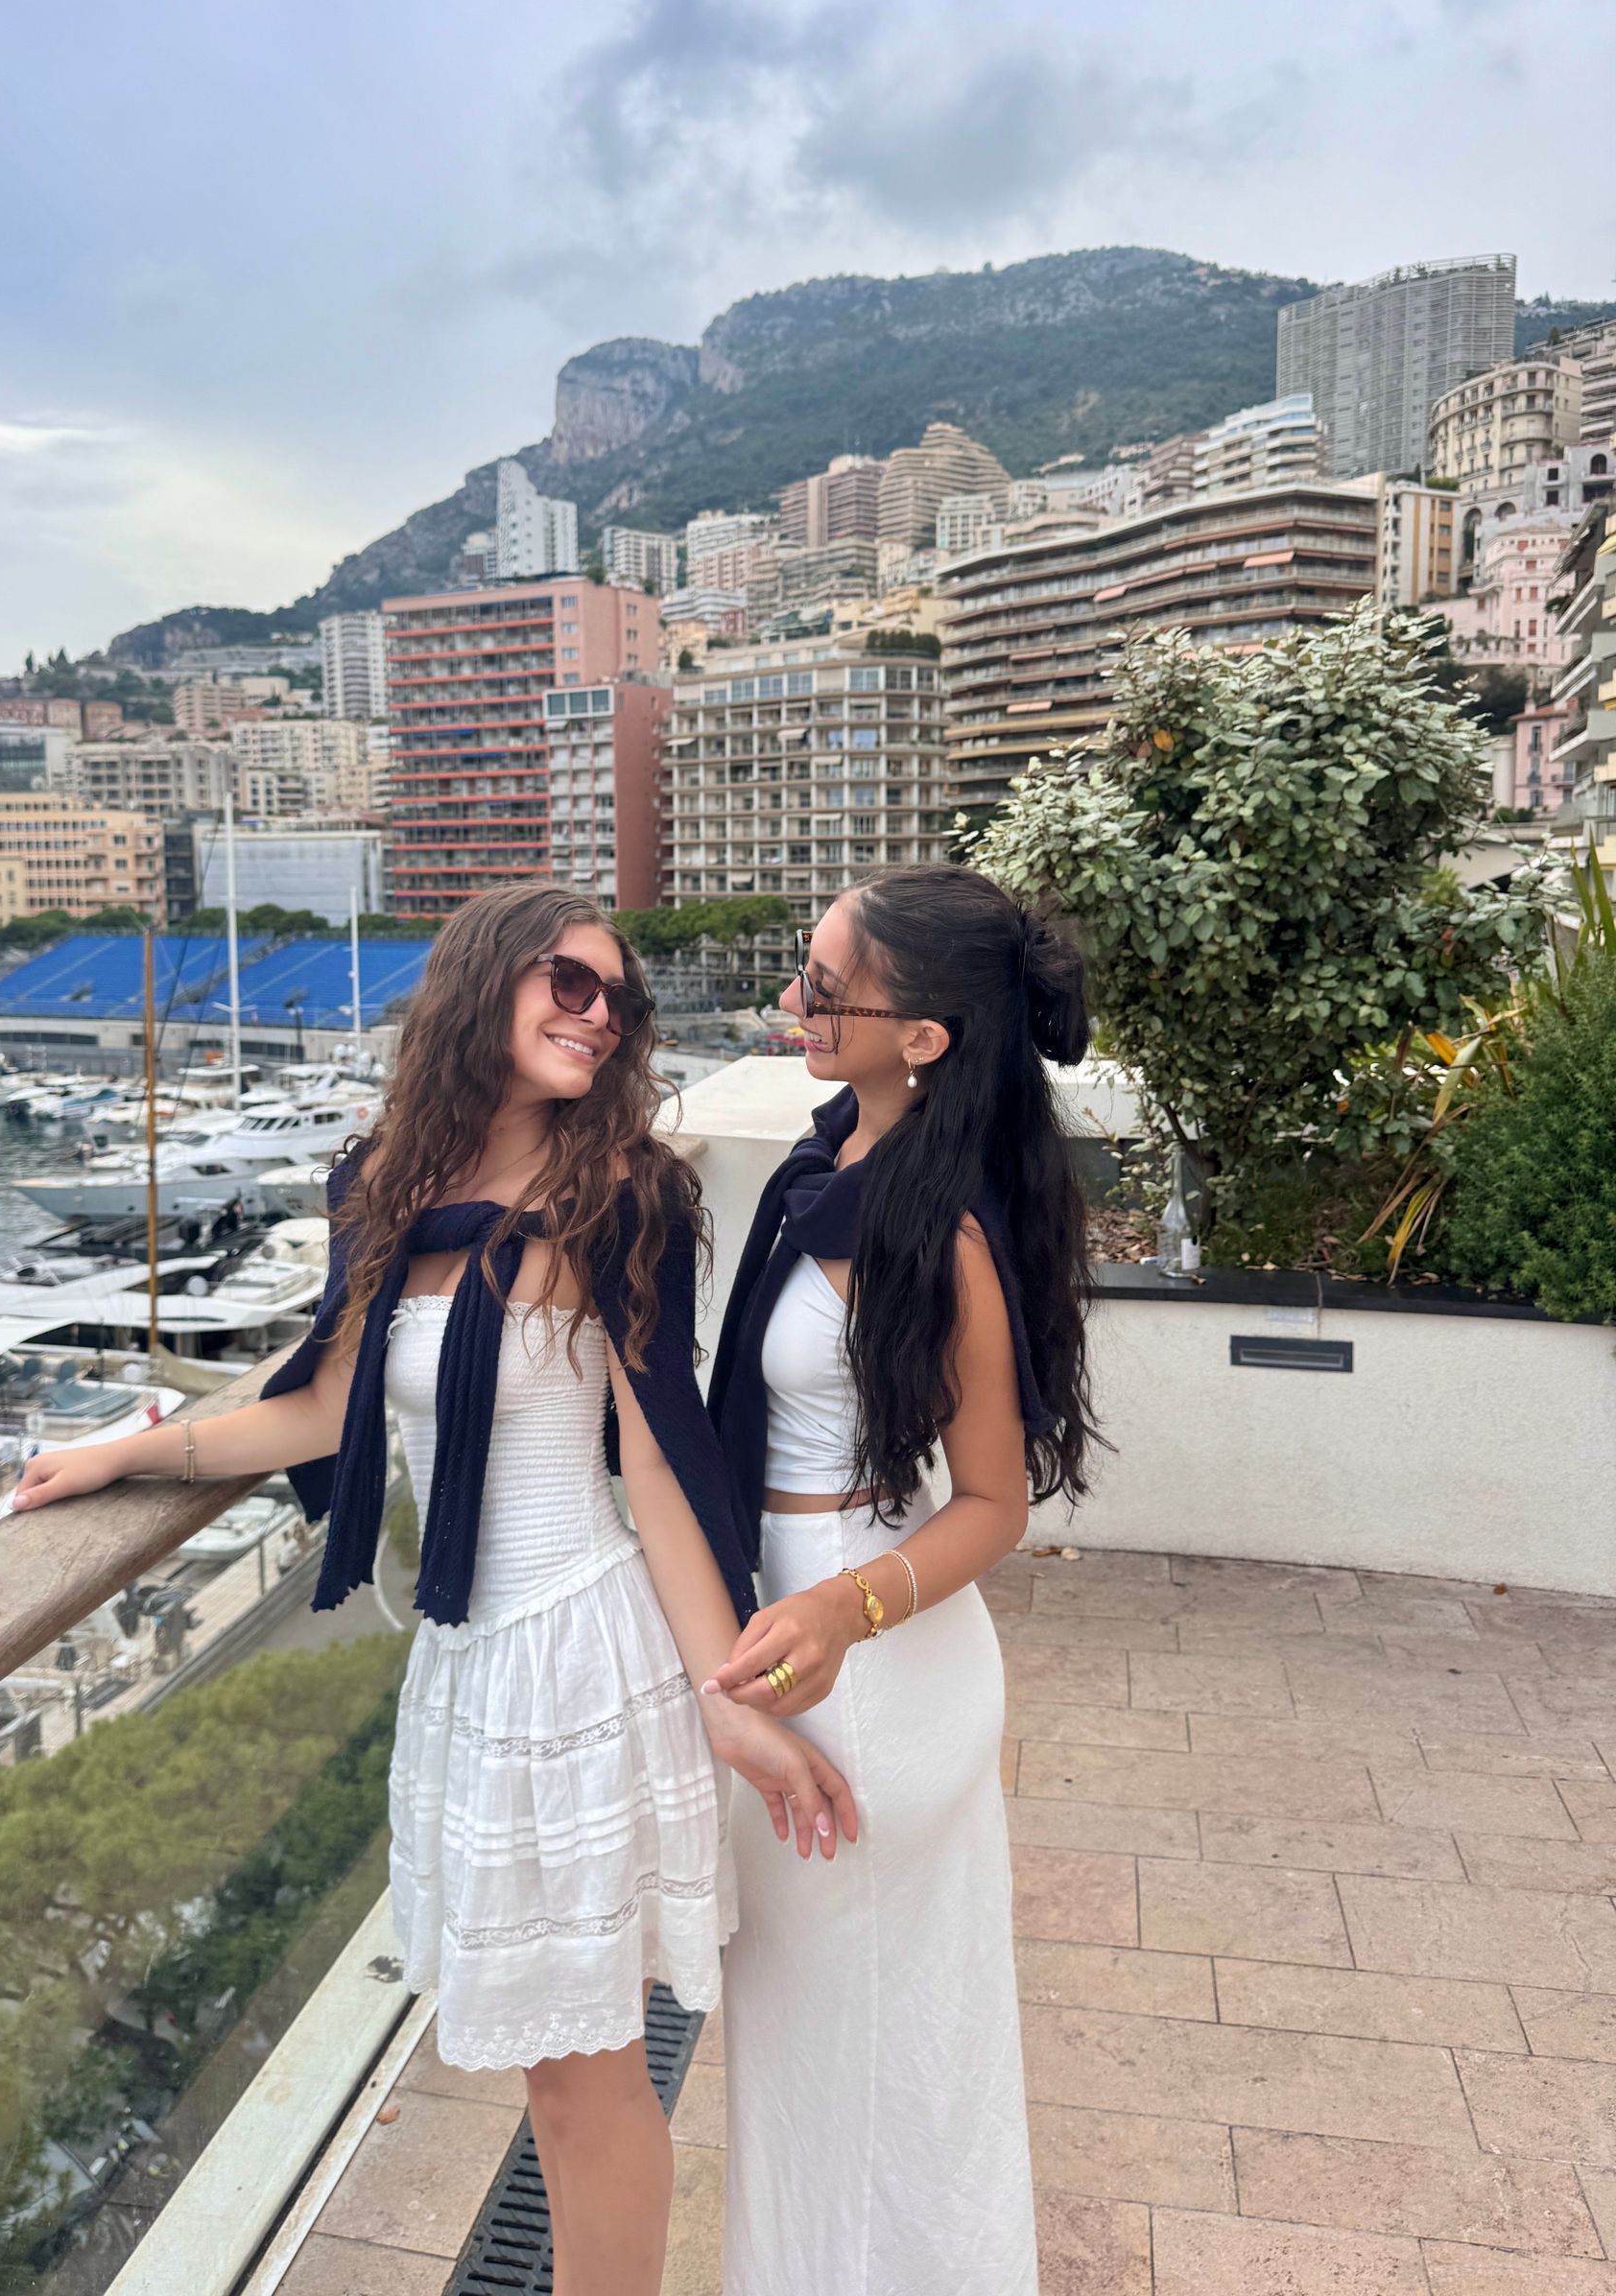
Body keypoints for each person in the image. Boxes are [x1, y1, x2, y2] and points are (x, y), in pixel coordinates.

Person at [12, 885, 854, 2296]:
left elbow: (655, 1455)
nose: (599, 1016)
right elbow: (325, 1404)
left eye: (617, 1000)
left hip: (585, 1659)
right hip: (469, 1673)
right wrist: (126, 1456)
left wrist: (725, 1701)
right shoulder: (381, 1182)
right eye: (569, 985)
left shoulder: (623, 1194)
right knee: (551, 2077)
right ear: (485, 985)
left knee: (589, 2089)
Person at [704, 864, 1098, 2296]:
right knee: (838, 2063)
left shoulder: (938, 1230)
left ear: (920, 1036)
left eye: (823, 983)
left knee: (865, 2066)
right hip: (823, 1641)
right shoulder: (833, 1173)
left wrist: (833, 1610)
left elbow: (995, 1501)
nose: (796, 1001)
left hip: (862, 1669)